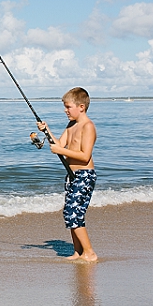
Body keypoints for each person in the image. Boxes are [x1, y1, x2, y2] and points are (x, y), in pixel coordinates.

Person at [36, 87, 98, 262]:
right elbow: (59, 145)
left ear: (81, 107)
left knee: (72, 213)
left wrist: (60, 150)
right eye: (65, 107)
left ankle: (89, 252)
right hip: (72, 176)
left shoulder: (88, 126)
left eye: (68, 107)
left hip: (84, 175)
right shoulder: (71, 126)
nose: (65, 110)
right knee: (72, 213)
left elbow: (85, 156)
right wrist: (46, 131)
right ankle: (78, 252)